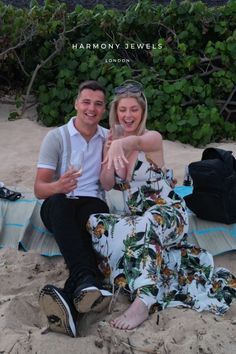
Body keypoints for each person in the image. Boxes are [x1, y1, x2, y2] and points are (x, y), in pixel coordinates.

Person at [87, 80, 236, 330]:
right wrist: (108, 153)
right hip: (138, 218)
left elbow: (134, 144)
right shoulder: (111, 143)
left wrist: (122, 143)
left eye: (134, 109)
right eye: (122, 109)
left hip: (167, 213)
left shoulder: (151, 138)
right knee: (95, 223)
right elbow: (106, 182)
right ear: (116, 112)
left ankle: (143, 301)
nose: (128, 115)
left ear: (142, 111)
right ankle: (151, 272)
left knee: (147, 222)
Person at [34, 80, 112, 338]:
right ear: (77, 103)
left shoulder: (108, 138)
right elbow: (39, 188)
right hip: (59, 202)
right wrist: (59, 184)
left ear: (103, 109)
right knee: (60, 204)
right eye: (86, 102)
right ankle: (87, 281)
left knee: (93, 213)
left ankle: (73, 295)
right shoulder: (56, 137)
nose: (92, 108)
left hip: (91, 203)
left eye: (98, 104)